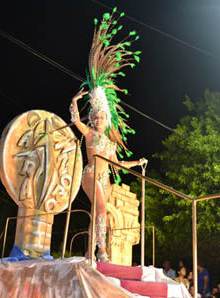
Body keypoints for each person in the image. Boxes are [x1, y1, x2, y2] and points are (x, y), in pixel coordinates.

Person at [70, 10, 145, 263]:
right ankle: (101, 251)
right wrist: (74, 100)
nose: (99, 120)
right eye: (97, 117)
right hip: (90, 175)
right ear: (94, 119)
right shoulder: (89, 132)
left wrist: (136, 164)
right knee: (101, 209)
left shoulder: (110, 142)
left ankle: (95, 248)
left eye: (103, 117)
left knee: (102, 213)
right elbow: (75, 120)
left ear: (107, 119)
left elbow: (117, 164)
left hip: (105, 179)